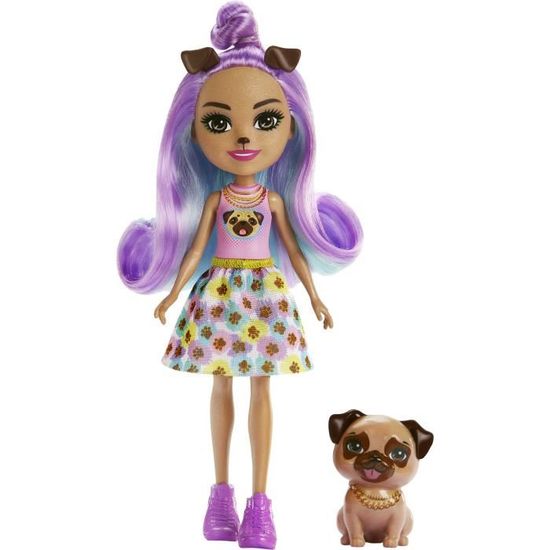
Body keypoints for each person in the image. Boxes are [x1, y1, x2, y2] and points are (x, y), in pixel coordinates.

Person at [117, 2, 362, 548]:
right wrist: (172, 294)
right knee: (221, 388)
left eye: (266, 121)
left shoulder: (273, 200)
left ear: (292, 128)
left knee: (261, 391)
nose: (245, 137)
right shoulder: (215, 199)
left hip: (265, 294)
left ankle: (260, 506)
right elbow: (194, 250)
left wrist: (316, 297)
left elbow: (294, 250)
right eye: (219, 122)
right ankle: (220, 498)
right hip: (220, 292)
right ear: (193, 131)